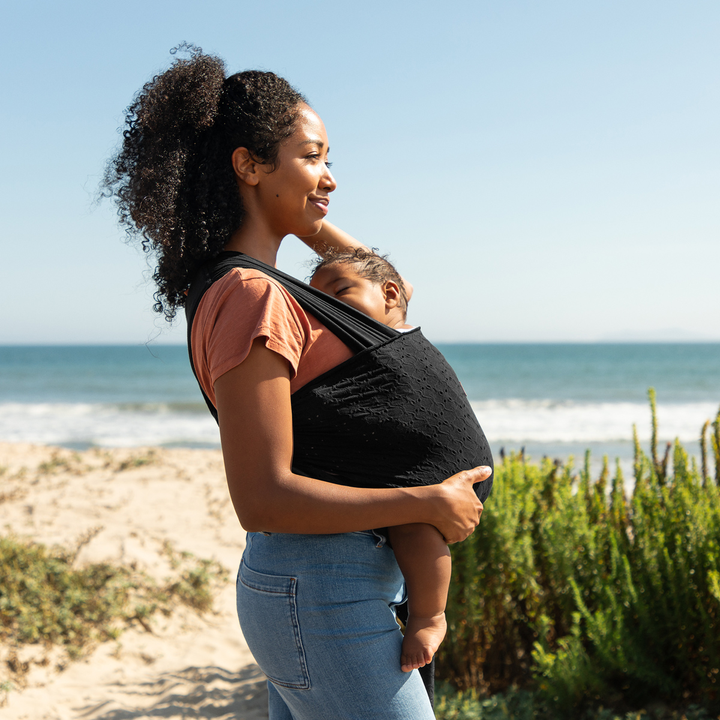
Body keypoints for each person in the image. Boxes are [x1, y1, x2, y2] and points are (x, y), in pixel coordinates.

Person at [103, 45, 491, 720]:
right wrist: (423, 501)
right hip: (323, 591)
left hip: (326, 587)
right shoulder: (252, 296)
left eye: (330, 159)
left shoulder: (246, 286)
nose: (331, 177)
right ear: (249, 166)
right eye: (312, 157)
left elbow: (370, 274)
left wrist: (305, 203)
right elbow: (263, 497)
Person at [305, 224, 452, 673]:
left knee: (413, 527)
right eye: (316, 299)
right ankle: (426, 614)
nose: (326, 305)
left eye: (340, 291)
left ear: (391, 295)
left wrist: (304, 222)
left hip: (430, 475)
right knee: (411, 526)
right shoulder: (350, 338)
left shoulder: (394, 329)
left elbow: (394, 277)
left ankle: (429, 616)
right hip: (416, 475)